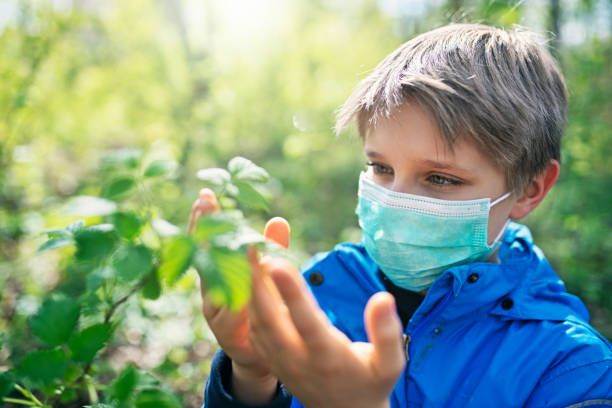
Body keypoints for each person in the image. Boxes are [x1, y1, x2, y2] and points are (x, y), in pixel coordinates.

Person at [191, 24, 612, 408]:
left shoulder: (572, 369)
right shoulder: (317, 297)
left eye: (440, 178)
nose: (396, 199)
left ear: (530, 189)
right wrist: (250, 375)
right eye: (381, 168)